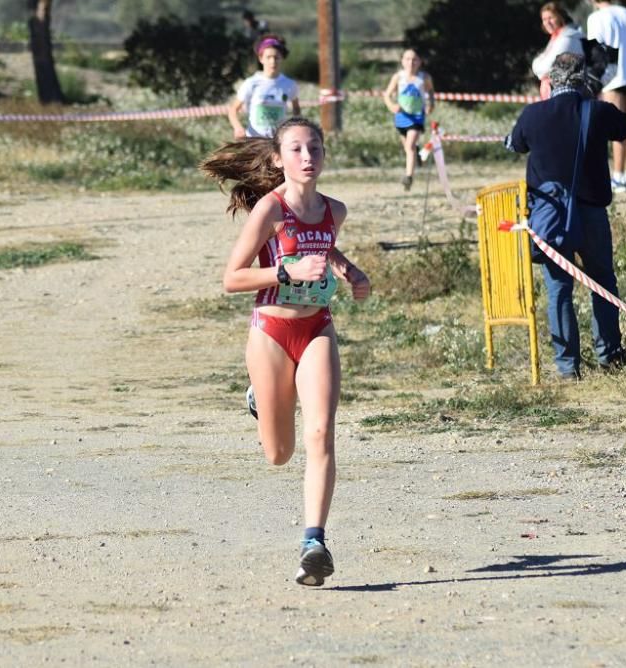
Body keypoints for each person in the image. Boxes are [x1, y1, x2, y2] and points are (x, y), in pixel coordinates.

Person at [200, 117, 372, 586]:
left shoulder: (334, 210)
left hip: (317, 329)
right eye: (296, 149)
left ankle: (314, 542)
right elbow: (231, 278)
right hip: (271, 333)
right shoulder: (270, 212)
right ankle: (259, 395)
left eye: (315, 148)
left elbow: (328, 250)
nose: (307, 157)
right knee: (279, 453)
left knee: (320, 434)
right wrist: (285, 272)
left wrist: (353, 274)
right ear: (278, 158)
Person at [505, 53, 626, 379]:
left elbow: (515, 145)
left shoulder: (533, 114)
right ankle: (610, 356)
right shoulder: (597, 110)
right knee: (602, 282)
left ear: (551, 80)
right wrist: (600, 93)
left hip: (549, 217)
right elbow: (624, 128)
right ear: (582, 80)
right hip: (591, 212)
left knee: (558, 289)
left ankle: (567, 367)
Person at [586, 0, 626, 193]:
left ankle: (618, 176)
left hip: (612, 77)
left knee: (616, 128)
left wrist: (593, 81)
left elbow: (596, 51)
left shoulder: (596, 17)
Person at [228, 35, 301, 139]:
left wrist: (296, 127)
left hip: (278, 141)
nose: (272, 61)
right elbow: (233, 110)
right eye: (268, 57)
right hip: (255, 141)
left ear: (281, 58)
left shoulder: (289, 84)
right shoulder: (251, 83)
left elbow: (296, 108)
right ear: (261, 58)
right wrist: (238, 127)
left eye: (276, 57)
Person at [382, 49, 435, 191]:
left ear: (419, 62)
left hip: (417, 116)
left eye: (414, 59)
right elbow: (387, 95)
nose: (411, 62)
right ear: (402, 61)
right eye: (407, 59)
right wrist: (392, 106)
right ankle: (416, 154)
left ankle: (408, 177)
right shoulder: (398, 77)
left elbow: (430, 91)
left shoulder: (424, 77)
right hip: (401, 116)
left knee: (409, 145)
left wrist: (431, 104)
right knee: (408, 147)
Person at [531, 2, 584, 100]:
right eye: (544, 19)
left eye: (550, 18)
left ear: (560, 17)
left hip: (567, 96)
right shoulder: (556, 38)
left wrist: (539, 70)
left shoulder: (568, 38)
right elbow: (539, 66)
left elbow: (548, 67)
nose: (547, 22)